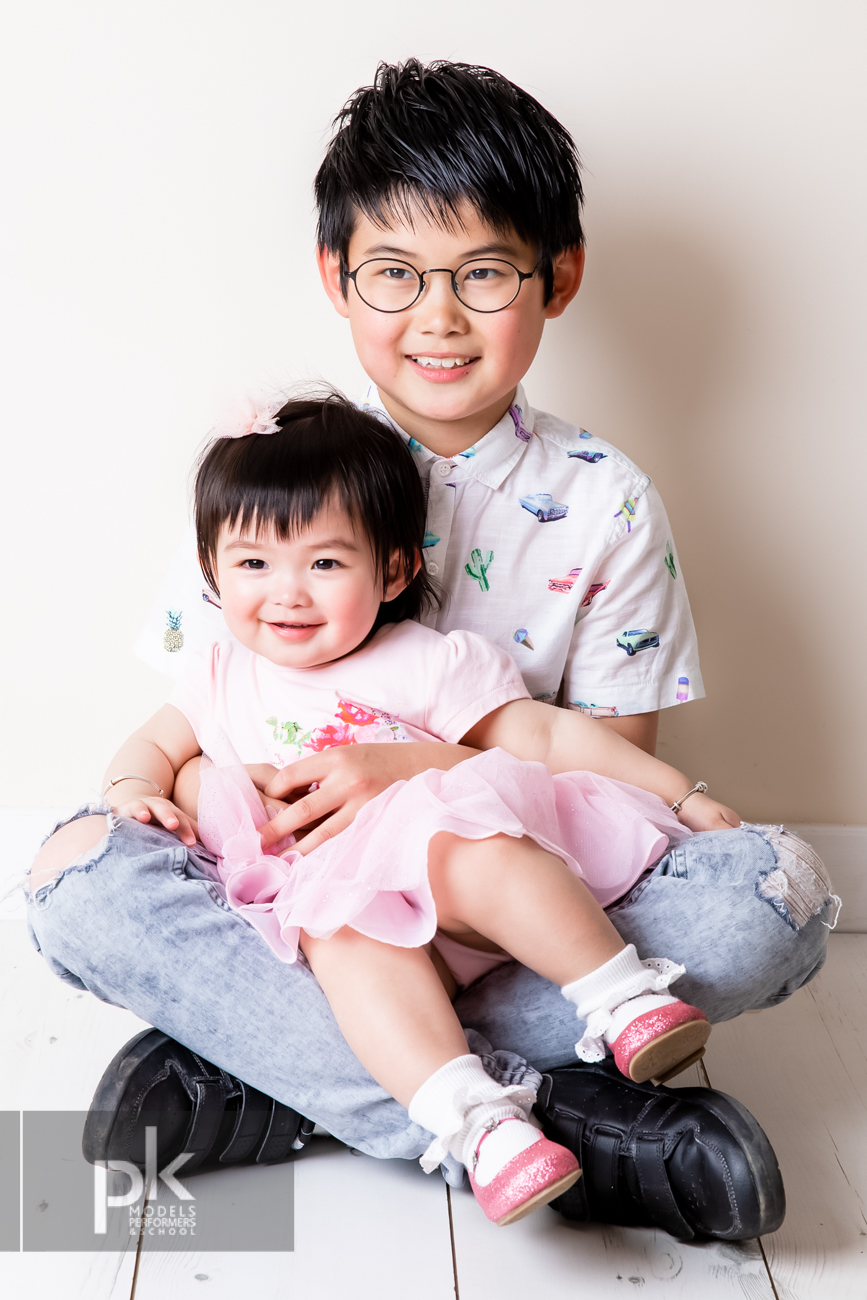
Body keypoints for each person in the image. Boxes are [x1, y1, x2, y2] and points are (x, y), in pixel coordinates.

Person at [26, 61, 835, 1239]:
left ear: (558, 277)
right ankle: (563, 1119)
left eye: (485, 273)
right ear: (337, 276)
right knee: (79, 883)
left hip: (519, 908)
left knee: (767, 902)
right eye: (396, 273)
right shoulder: (272, 477)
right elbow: (193, 739)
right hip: (313, 909)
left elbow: (608, 789)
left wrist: (417, 776)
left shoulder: (605, 500)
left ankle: (284, 1070)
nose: (438, 316)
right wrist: (190, 795)